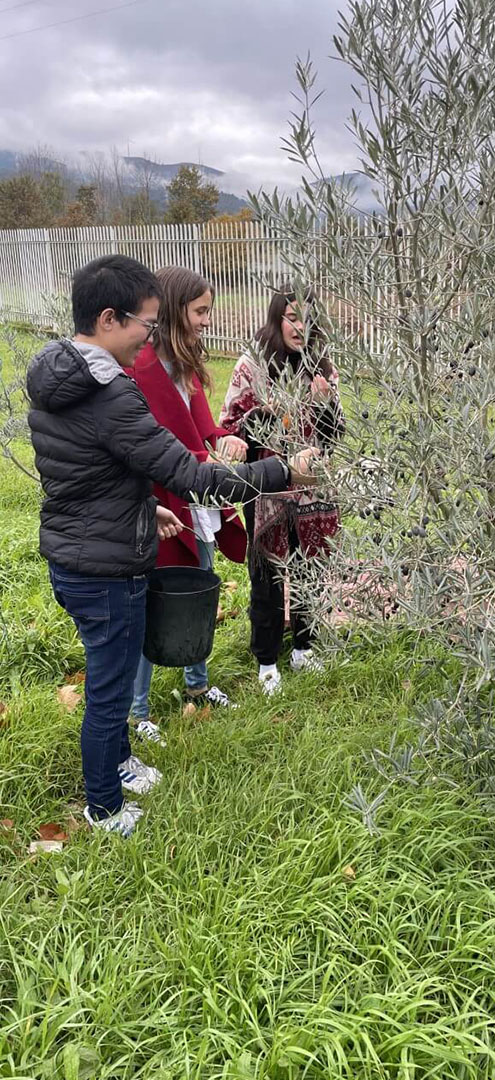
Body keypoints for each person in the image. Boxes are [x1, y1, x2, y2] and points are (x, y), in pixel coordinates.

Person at [27, 255, 318, 836]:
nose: (150, 336)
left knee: (110, 675)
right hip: (105, 568)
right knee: (108, 691)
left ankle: (118, 761)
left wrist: (141, 505)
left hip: (81, 550)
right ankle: (104, 805)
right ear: (109, 319)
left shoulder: (62, 379)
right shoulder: (111, 395)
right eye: (146, 323)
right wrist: (284, 471)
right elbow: (194, 478)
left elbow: (85, 475)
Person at [129, 266, 248, 738]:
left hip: (197, 502)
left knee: (199, 593)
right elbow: (146, 445)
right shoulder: (138, 370)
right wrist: (204, 454)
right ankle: (138, 712)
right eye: (199, 312)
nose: (205, 321)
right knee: (151, 603)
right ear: (175, 310)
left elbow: (204, 431)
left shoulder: (188, 367)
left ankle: (197, 687)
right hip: (159, 507)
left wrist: (228, 441)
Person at [219, 287, 345, 696]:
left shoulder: (322, 368)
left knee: (311, 569)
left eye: (308, 319)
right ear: (276, 319)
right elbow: (230, 427)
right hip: (268, 489)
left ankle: (304, 648)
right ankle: (267, 661)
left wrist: (324, 407)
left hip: (312, 490)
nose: (300, 327)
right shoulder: (252, 366)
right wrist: (266, 412)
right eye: (292, 317)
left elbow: (335, 434)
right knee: (268, 575)